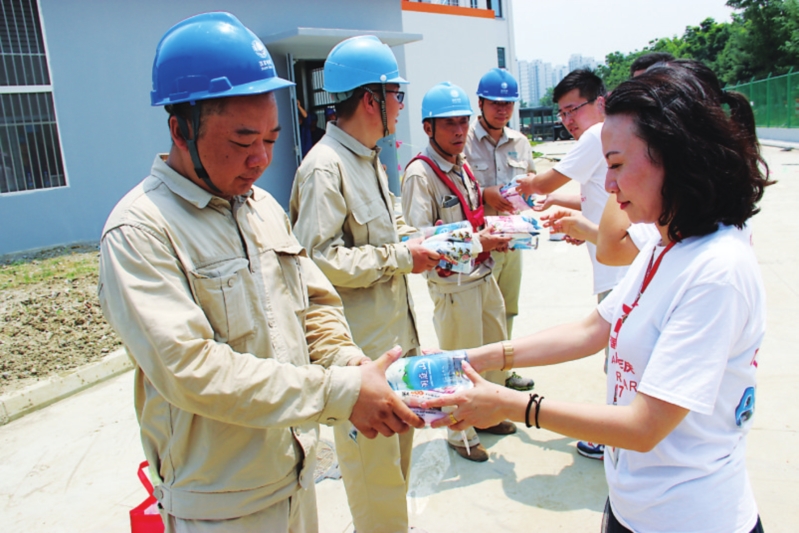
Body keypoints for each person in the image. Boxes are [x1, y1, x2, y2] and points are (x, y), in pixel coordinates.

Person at [98, 14, 422, 532]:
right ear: (180, 128)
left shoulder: (261, 207)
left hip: (293, 475)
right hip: (222, 503)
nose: (261, 158)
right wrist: (338, 392)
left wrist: (351, 366)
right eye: (243, 140)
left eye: (271, 138)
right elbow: (193, 371)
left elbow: (315, 305)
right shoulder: (140, 231)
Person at [428, 62, 772, 533]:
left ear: (676, 157)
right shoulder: (662, 244)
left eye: (615, 166)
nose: (606, 187)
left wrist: (511, 405)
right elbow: (594, 329)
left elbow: (644, 427)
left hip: (691, 519)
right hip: (633, 507)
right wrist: (471, 356)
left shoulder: (716, 272)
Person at [289, 35, 439, 533]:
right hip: (360, 359)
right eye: (396, 94)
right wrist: (400, 256)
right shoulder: (324, 168)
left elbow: (395, 229)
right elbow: (316, 261)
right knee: (374, 484)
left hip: (394, 347)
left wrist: (433, 241)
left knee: (393, 473)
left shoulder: (370, 157)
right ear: (371, 99)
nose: (401, 104)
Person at [517, 69, 634, 460]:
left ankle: (614, 434)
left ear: (599, 102)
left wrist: (523, 186)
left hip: (618, 267)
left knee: (617, 354)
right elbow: (593, 198)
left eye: (574, 109)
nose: (568, 120)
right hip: (619, 257)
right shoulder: (614, 141)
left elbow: (544, 182)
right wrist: (567, 214)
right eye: (562, 112)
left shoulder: (595, 135)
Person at [402, 82, 516, 462]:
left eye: (463, 123)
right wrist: (478, 241)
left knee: (493, 352)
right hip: (454, 286)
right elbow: (418, 241)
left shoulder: (462, 163)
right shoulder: (421, 174)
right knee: (458, 362)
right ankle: (460, 433)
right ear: (428, 127)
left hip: (482, 275)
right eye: (448, 124)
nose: (458, 131)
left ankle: (487, 416)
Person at [464, 67, 535, 392]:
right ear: (481, 103)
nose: (502, 109)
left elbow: (531, 186)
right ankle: (477, 379)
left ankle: (504, 375)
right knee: (479, 314)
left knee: (507, 308)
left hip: (513, 240)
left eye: (508, 104)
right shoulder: (463, 140)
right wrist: (487, 194)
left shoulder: (520, 143)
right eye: (495, 103)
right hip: (479, 243)